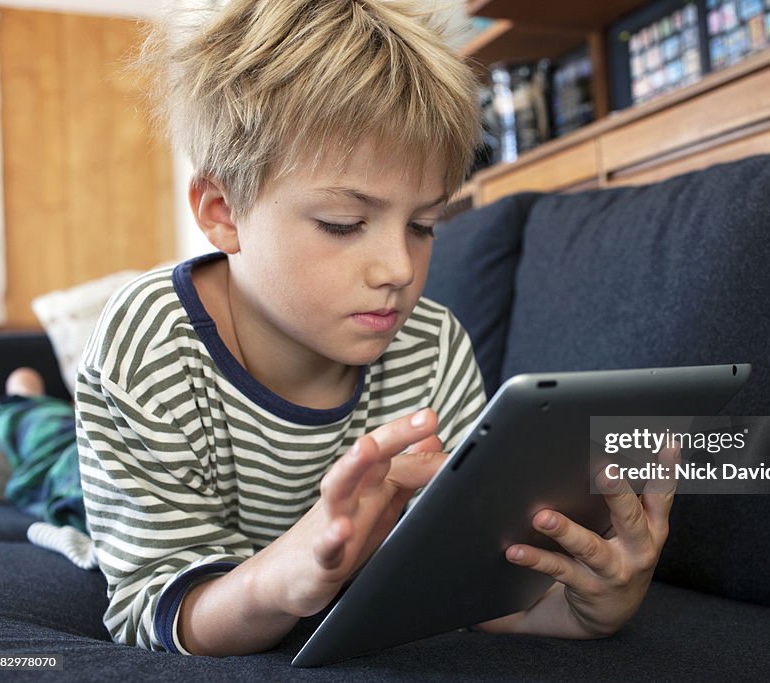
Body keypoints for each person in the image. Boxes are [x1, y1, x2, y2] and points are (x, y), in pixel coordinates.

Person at [65, 0, 677, 657]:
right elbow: (151, 608)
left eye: (423, 226)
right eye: (342, 223)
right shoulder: (146, 348)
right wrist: (286, 579)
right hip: (108, 477)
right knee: (46, 464)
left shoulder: (433, 346)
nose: (399, 269)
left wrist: (587, 609)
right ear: (223, 212)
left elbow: (462, 579)